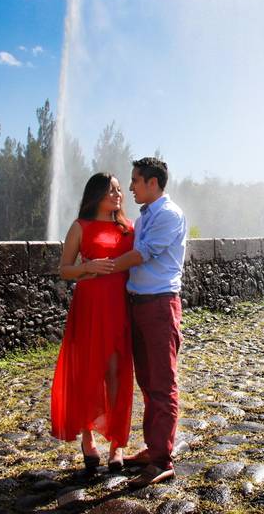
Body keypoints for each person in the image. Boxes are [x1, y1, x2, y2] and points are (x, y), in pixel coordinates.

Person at [109, 157, 187, 487]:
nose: (130, 188)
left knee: (162, 383)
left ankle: (161, 460)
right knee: (147, 381)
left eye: (135, 181)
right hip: (140, 303)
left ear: (152, 183)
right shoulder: (145, 216)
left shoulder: (168, 214)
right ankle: (154, 447)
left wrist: (101, 265)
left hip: (158, 305)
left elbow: (143, 255)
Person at [50, 173, 135, 473]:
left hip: (118, 308)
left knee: (116, 373)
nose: (118, 195)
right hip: (88, 308)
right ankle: (88, 439)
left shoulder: (127, 229)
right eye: (111, 190)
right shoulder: (80, 226)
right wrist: (88, 267)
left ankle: (117, 444)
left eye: (120, 190)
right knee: (88, 371)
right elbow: (64, 270)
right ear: (96, 194)